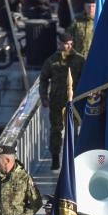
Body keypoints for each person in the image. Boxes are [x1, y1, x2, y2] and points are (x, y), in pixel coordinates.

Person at [40, 33, 84, 166]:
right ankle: (55, 157)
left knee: (74, 130)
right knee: (56, 130)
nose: (69, 46)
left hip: (74, 101)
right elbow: (43, 79)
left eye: (71, 44)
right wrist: (44, 96)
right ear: (59, 44)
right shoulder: (51, 60)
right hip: (56, 101)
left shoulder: (79, 60)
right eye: (66, 44)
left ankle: (73, 157)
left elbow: (86, 77)